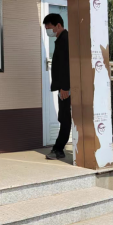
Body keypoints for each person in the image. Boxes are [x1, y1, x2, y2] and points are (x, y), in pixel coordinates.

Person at [43, 13, 70, 160]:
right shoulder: (61, 39)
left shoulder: (65, 39)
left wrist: (65, 87)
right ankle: (58, 148)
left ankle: (58, 149)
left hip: (65, 88)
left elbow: (66, 65)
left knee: (64, 118)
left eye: (49, 28)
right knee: (63, 117)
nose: (48, 31)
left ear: (58, 25)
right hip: (63, 87)